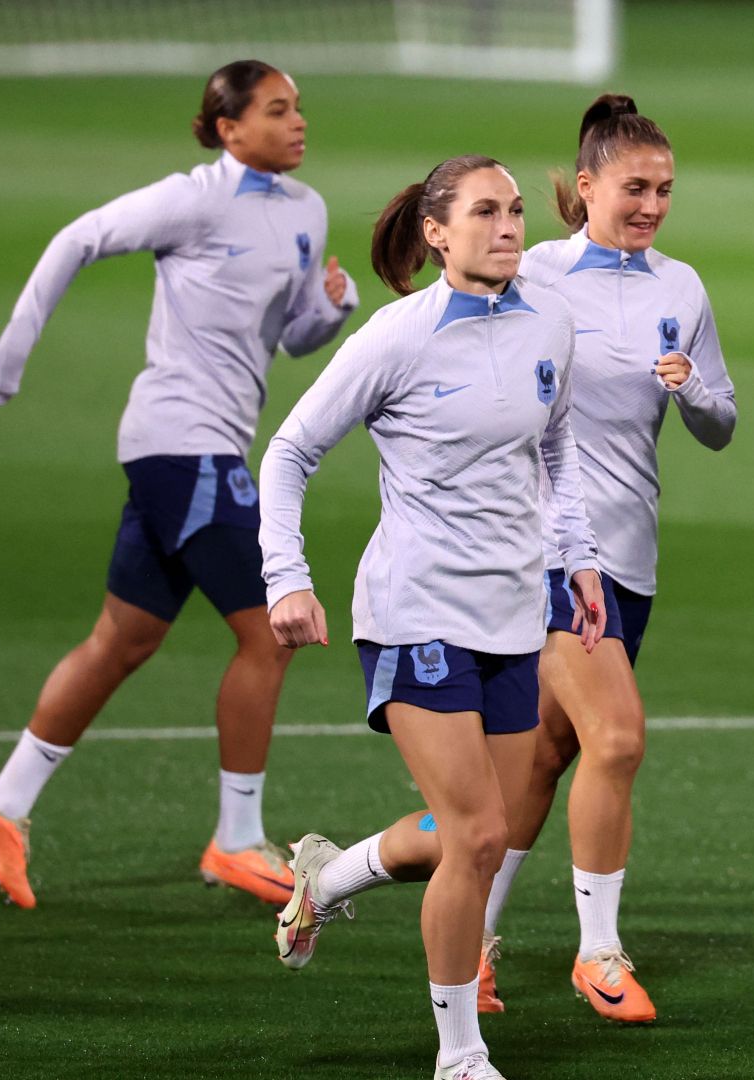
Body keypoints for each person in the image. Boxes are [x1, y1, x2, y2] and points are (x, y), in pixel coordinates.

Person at [0, 59, 355, 910]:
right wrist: (11, 352)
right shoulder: (194, 199)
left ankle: (2, 803)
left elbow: (291, 337)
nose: (298, 122)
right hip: (185, 445)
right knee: (271, 633)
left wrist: (332, 306)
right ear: (228, 128)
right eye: (276, 110)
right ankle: (237, 839)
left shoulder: (306, 210)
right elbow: (80, 237)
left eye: (298, 107)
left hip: (195, 450)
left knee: (123, 640)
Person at [259, 155, 602, 1080]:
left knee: (476, 837)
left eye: (516, 210)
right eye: (486, 211)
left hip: (513, 616)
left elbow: (557, 446)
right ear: (437, 233)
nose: (509, 225)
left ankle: (330, 877)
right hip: (415, 612)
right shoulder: (397, 338)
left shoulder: (549, 320)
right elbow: (289, 452)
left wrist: (578, 557)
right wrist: (287, 577)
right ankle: (460, 1057)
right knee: (480, 837)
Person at [475, 93, 739, 1022]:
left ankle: (390, 899)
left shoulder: (682, 288)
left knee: (543, 757)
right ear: (587, 187)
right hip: (545, 548)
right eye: (636, 188)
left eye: (665, 190)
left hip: (629, 555)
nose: (653, 205)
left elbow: (721, 424)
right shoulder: (535, 274)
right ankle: (599, 953)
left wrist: (694, 389)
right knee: (617, 738)